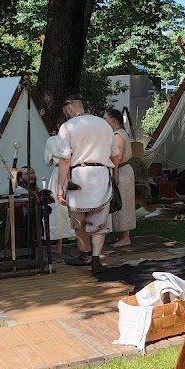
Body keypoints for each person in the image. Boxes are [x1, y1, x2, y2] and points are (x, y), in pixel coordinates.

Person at [56, 96, 115, 273]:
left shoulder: (67, 127)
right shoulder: (103, 124)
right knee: (99, 221)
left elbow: (65, 159)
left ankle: (85, 254)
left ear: (69, 110)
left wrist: (60, 186)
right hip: (101, 174)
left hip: (79, 176)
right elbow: (114, 153)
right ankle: (96, 258)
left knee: (78, 220)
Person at [104, 107, 136, 248]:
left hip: (122, 172)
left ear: (113, 120)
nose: (104, 121)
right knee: (120, 201)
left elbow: (117, 157)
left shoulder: (118, 135)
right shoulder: (118, 133)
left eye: (105, 118)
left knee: (123, 203)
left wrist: (115, 174)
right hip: (121, 170)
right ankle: (122, 235)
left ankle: (126, 237)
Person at [43, 117, 72, 254]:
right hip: (76, 172)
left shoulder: (52, 140)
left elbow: (47, 160)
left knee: (58, 210)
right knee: (76, 206)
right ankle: (83, 243)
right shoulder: (76, 138)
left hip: (59, 171)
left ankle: (59, 244)